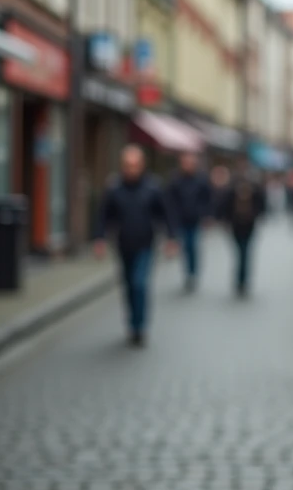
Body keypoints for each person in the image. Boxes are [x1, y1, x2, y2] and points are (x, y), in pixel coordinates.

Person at [93, 145, 178, 347]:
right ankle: (132, 321)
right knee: (129, 285)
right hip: (123, 245)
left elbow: (166, 213)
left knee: (140, 283)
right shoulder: (114, 189)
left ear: (142, 166)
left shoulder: (153, 187)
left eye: (135, 165)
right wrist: (99, 239)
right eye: (128, 165)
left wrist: (171, 238)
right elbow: (104, 216)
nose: (132, 169)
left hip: (146, 244)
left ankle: (139, 326)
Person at [213, 153, 267, 297]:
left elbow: (261, 202)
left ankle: (242, 280)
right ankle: (241, 279)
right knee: (241, 252)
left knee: (244, 252)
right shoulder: (233, 183)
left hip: (248, 223)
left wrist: (257, 215)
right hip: (236, 223)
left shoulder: (253, 184)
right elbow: (224, 203)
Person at [165, 151, 213, 293]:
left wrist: (207, 215)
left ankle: (192, 273)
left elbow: (207, 198)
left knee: (192, 246)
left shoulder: (201, 179)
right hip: (180, 220)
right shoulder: (175, 180)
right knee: (185, 246)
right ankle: (188, 272)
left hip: (194, 219)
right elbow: (170, 202)